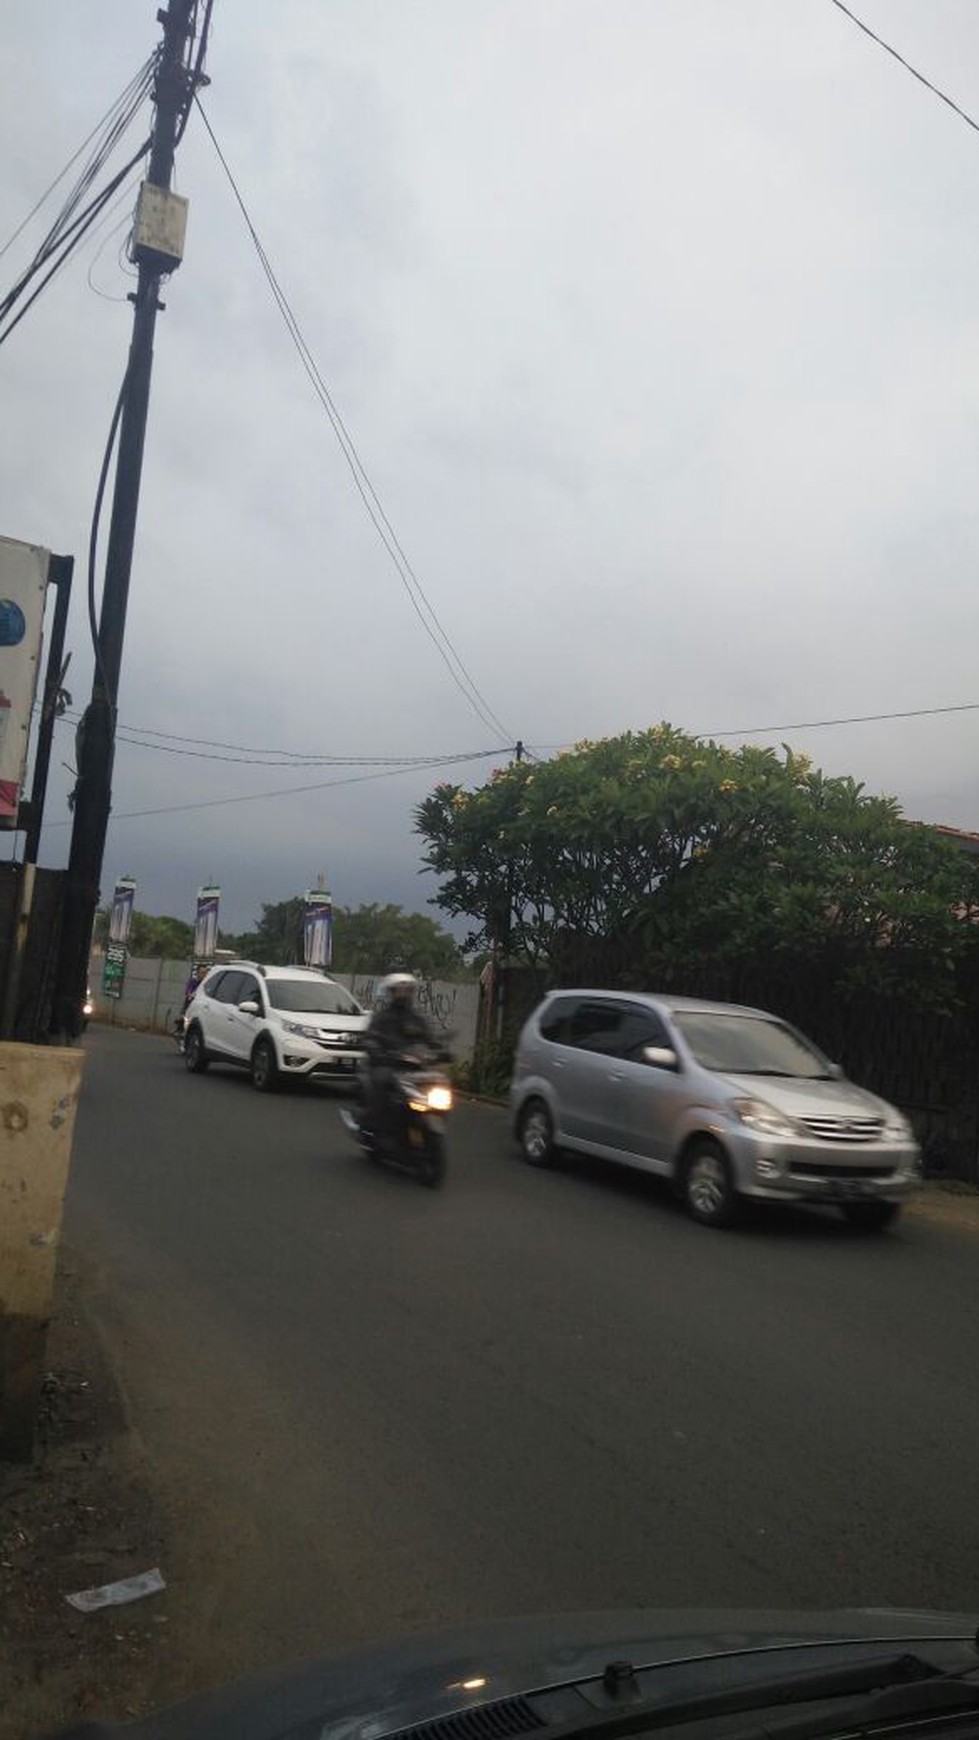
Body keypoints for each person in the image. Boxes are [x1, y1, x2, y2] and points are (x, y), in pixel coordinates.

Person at [363, 973, 435, 1154]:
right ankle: (376, 1127)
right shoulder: (381, 1017)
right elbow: (370, 1038)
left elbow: (430, 1040)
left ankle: (423, 1122)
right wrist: (376, 1051)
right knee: (381, 1081)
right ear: (391, 992)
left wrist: (441, 1052)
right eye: (399, 990)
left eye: (407, 990)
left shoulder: (416, 1018)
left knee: (436, 1085)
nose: (403, 994)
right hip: (388, 1064)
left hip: (413, 1068)